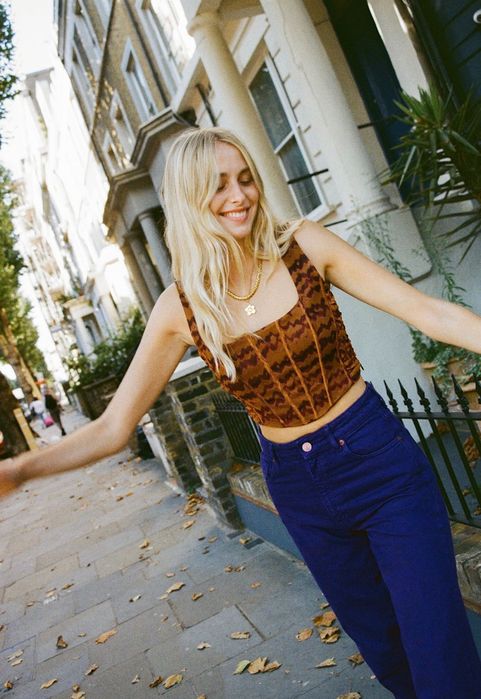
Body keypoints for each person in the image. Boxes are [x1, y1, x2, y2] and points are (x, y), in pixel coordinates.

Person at [1, 127, 480, 697]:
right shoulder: (182, 307)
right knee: (387, 653)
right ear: (189, 198)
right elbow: (112, 427)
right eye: (219, 184)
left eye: (246, 179)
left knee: (439, 655)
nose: (240, 195)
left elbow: (428, 312)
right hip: (299, 488)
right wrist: (22, 469)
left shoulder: (304, 245)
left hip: (378, 462)